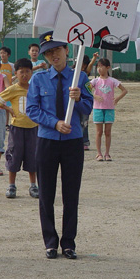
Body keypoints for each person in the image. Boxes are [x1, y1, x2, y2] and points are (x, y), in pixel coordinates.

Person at [26, 32, 93, 260]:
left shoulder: (80, 78)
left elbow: (88, 108)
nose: (54, 55)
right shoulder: (38, 79)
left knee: (71, 194)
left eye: (57, 50)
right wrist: (54, 123)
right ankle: (50, 242)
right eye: (48, 52)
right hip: (47, 141)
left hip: (73, 142)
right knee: (46, 194)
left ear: (66, 50)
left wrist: (79, 98)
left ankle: (69, 243)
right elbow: (32, 110)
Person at [0, 58, 39, 198]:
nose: (24, 75)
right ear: (16, 74)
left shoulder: (34, 88)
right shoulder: (13, 89)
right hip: (16, 129)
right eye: (21, 72)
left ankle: (33, 186)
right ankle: (11, 186)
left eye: (27, 72)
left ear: (31, 73)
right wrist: (9, 109)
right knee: (14, 155)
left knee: (32, 157)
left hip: (33, 128)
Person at [91, 58, 127, 162]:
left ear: (108, 67)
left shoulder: (112, 81)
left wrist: (117, 99)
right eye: (98, 66)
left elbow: (124, 90)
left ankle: (107, 153)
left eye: (101, 66)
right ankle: (99, 153)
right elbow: (86, 88)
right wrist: (95, 96)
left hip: (109, 109)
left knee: (107, 132)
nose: (99, 69)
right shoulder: (95, 81)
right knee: (98, 132)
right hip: (98, 108)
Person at [79, 52, 99, 150]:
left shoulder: (84, 74)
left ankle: (85, 142)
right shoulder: (72, 72)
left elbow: (91, 65)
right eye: (81, 63)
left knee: (84, 123)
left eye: (84, 64)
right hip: (75, 100)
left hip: (84, 101)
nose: (82, 66)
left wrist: (94, 58)